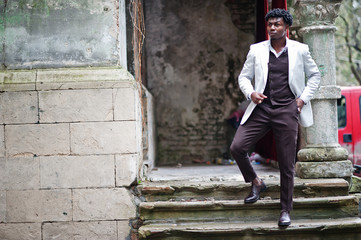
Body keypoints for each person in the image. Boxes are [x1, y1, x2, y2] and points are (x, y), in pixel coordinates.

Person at [230, 8, 320, 227]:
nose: (272, 28)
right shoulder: (256, 50)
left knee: (287, 164)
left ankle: (285, 210)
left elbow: (315, 75)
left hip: (287, 109)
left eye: (277, 24)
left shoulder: (300, 50)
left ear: (286, 27)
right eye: (270, 25)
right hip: (261, 108)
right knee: (237, 147)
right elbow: (244, 77)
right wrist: (251, 92)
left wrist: (301, 100)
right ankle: (256, 182)